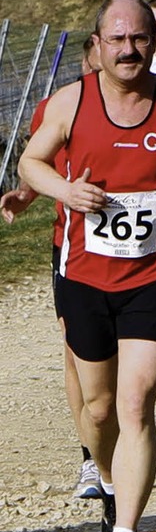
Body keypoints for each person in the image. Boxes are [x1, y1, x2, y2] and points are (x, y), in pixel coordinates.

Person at [18, 0, 156, 532]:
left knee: (135, 403)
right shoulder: (71, 101)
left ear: (153, 42)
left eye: (140, 39)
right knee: (99, 409)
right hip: (84, 274)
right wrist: (62, 190)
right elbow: (31, 161)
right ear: (99, 45)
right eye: (118, 39)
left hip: (154, 273)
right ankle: (107, 483)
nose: (130, 49)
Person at [0, 38, 104, 501]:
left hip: (140, 257)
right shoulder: (59, 106)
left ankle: (120, 440)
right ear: (90, 58)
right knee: (76, 353)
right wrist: (25, 196)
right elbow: (40, 164)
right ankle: (90, 456)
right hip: (74, 247)